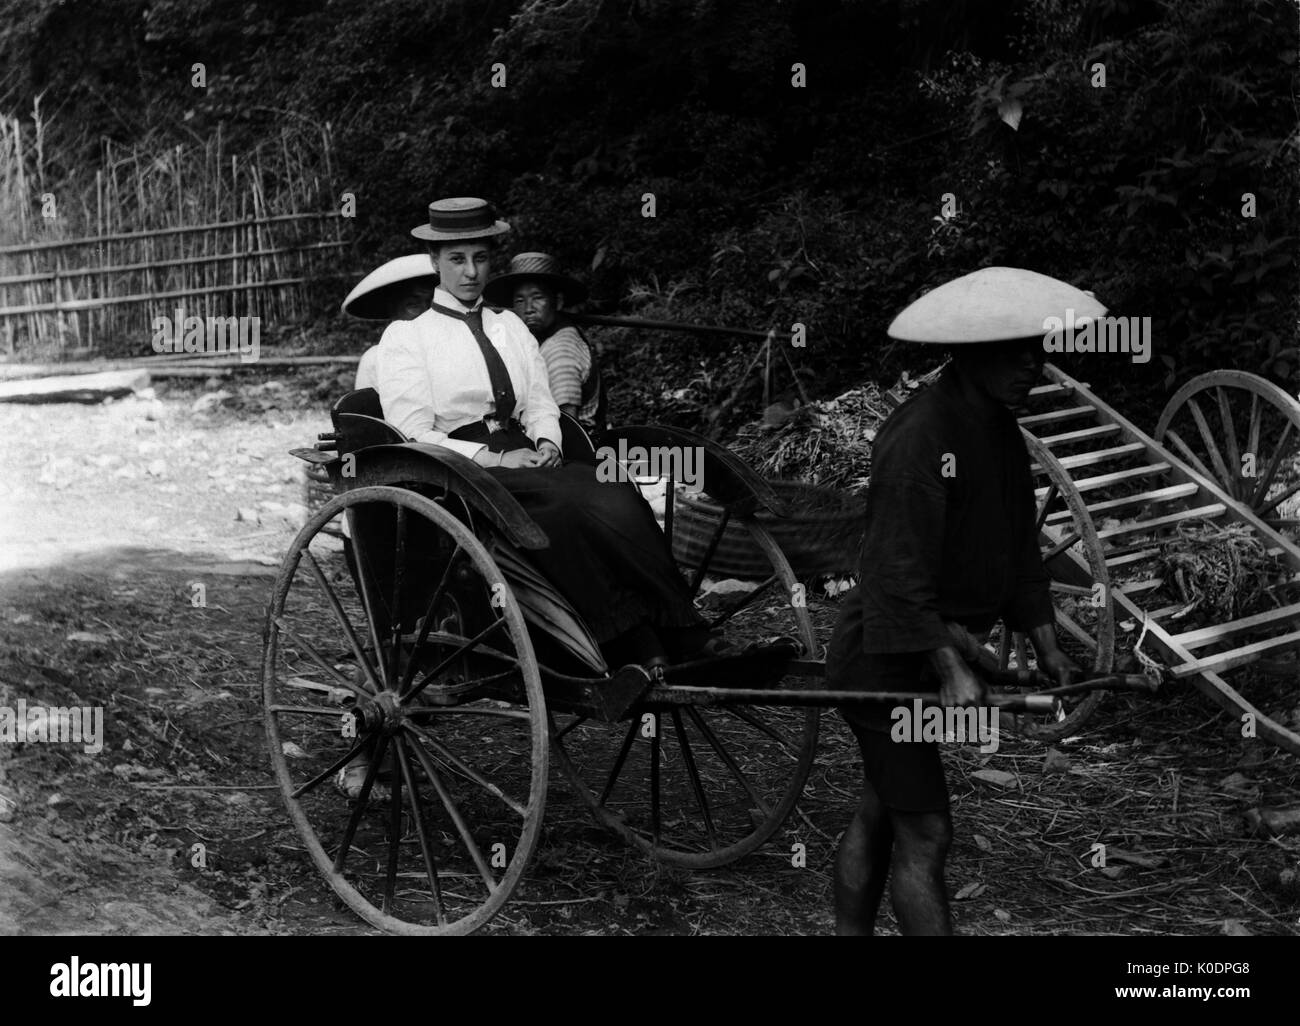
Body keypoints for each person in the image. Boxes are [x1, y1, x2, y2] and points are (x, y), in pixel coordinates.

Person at [827, 267, 1104, 935]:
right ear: (973, 356)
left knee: (881, 810)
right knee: (927, 835)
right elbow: (895, 571)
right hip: (883, 662)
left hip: (927, 655)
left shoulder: (999, 431)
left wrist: (1048, 647)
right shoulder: (920, 436)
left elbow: (1018, 555)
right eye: (1016, 354)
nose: (1033, 368)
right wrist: (951, 668)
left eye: (1038, 352)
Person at [376, 197, 715, 666]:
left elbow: (539, 400)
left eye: (480, 257)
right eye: (456, 259)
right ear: (435, 262)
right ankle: (624, 641)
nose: (471, 271)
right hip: (462, 469)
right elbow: (414, 432)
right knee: (563, 507)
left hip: (526, 452)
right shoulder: (407, 338)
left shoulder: (509, 324)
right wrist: (495, 459)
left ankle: (679, 626)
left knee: (611, 486)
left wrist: (548, 440)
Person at [482, 252, 607, 443]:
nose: (529, 308)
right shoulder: (539, 341)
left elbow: (568, 424)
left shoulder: (560, 349)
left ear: (558, 301)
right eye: (520, 300)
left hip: (577, 450)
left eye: (537, 297)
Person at [340, 254, 439, 389]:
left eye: (432, 302)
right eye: (413, 305)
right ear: (393, 309)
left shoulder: (456, 347)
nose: (427, 312)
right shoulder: (376, 359)